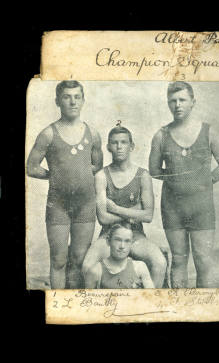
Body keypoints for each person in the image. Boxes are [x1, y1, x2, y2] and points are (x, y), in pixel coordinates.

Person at [149, 81, 219, 288]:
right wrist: (178, 181)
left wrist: (204, 181)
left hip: (201, 207)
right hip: (173, 207)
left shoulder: (209, 131)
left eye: (182, 100)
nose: (177, 105)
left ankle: (203, 310)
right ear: (168, 104)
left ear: (193, 102)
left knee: (203, 260)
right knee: (178, 259)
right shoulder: (161, 135)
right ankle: (180, 312)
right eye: (173, 101)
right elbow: (154, 171)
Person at [27, 81, 103, 289]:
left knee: (79, 258)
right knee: (59, 260)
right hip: (58, 204)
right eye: (67, 97)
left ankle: (73, 304)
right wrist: (56, 176)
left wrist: (80, 175)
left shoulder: (92, 133)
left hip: (85, 204)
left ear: (83, 100)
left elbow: (98, 164)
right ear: (57, 101)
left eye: (77, 97)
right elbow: (31, 167)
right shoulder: (48, 134)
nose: (72, 101)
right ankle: (59, 304)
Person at [82, 125, 168, 288]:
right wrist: (135, 212)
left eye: (124, 142)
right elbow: (103, 218)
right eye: (115, 143)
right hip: (109, 235)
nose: (119, 147)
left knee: (160, 263)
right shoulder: (101, 176)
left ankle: (152, 306)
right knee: (87, 267)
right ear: (108, 147)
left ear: (132, 146)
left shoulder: (143, 175)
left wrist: (115, 208)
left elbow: (148, 216)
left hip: (135, 235)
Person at [85, 223, 155, 289]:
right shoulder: (96, 271)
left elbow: (151, 298)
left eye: (127, 241)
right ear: (108, 241)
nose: (122, 246)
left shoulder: (140, 267)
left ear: (131, 243)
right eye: (118, 240)